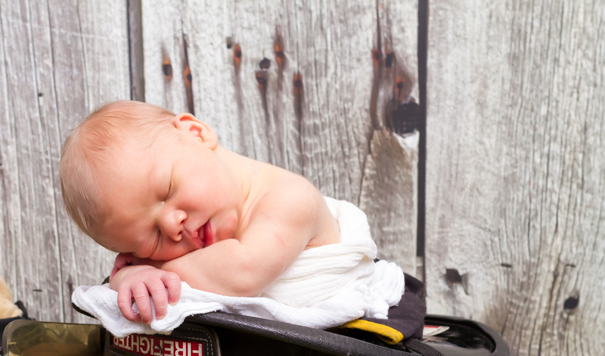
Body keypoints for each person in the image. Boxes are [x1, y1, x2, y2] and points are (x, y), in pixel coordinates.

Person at [60, 100, 389, 325]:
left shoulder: (291, 199)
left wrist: (151, 264)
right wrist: (132, 278)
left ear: (196, 133)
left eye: (167, 191)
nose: (173, 225)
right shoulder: (199, 256)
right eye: (153, 240)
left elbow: (243, 271)